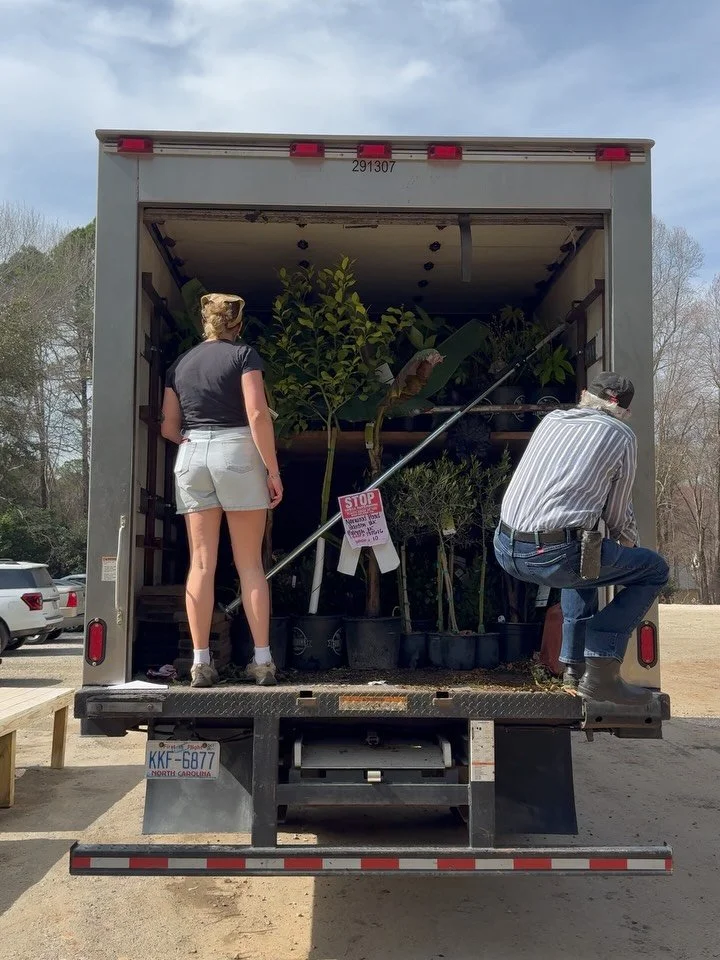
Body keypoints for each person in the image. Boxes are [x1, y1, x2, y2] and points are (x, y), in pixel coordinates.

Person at [493, 372, 669, 705]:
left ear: (585, 394)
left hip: (505, 547)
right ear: (625, 412)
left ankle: (573, 668)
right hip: (552, 556)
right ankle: (601, 670)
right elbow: (617, 516)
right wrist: (628, 550)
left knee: (589, 553)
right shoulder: (622, 436)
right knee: (653, 569)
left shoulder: (552, 420)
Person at [161, 293, 283, 688]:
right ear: (237, 323)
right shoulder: (243, 356)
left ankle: (200, 663)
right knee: (249, 564)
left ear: (205, 322)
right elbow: (257, 413)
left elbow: (167, 427)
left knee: (201, 564)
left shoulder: (180, 364)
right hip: (237, 451)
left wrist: (194, 446)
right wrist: (272, 470)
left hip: (192, 453)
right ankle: (262, 662)